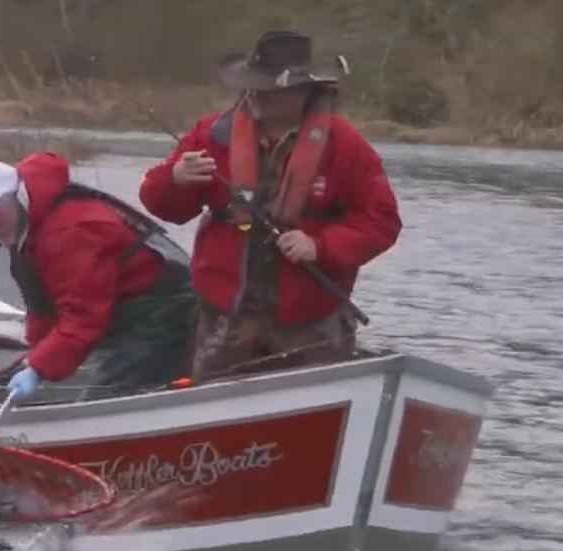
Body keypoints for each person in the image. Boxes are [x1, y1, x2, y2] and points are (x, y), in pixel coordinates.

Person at [138, 30, 402, 378]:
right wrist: (175, 178)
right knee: (213, 407)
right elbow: (161, 205)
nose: (253, 95)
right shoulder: (211, 134)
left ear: (302, 91)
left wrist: (320, 246)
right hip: (226, 318)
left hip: (312, 325)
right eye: (250, 84)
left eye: (266, 88)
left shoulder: (347, 147)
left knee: (313, 412)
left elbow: (382, 222)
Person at [0, 152, 196, 401]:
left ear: (15, 197)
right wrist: (34, 357)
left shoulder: (71, 233)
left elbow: (84, 318)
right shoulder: (22, 229)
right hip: (118, 314)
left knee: (109, 397)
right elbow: (42, 306)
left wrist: (39, 368)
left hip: (161, 314)